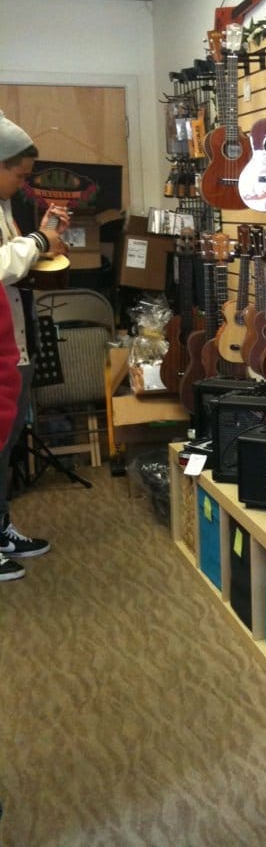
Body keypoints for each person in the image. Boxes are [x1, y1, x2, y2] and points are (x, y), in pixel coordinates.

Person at [0, 110, 70, 582]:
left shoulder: (3, 205)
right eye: (19, 175)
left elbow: (15, 260)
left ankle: (1, 527)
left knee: (5, 444)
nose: (22, 184)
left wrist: (41, 239)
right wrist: (41, 239)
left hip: (12, 340)